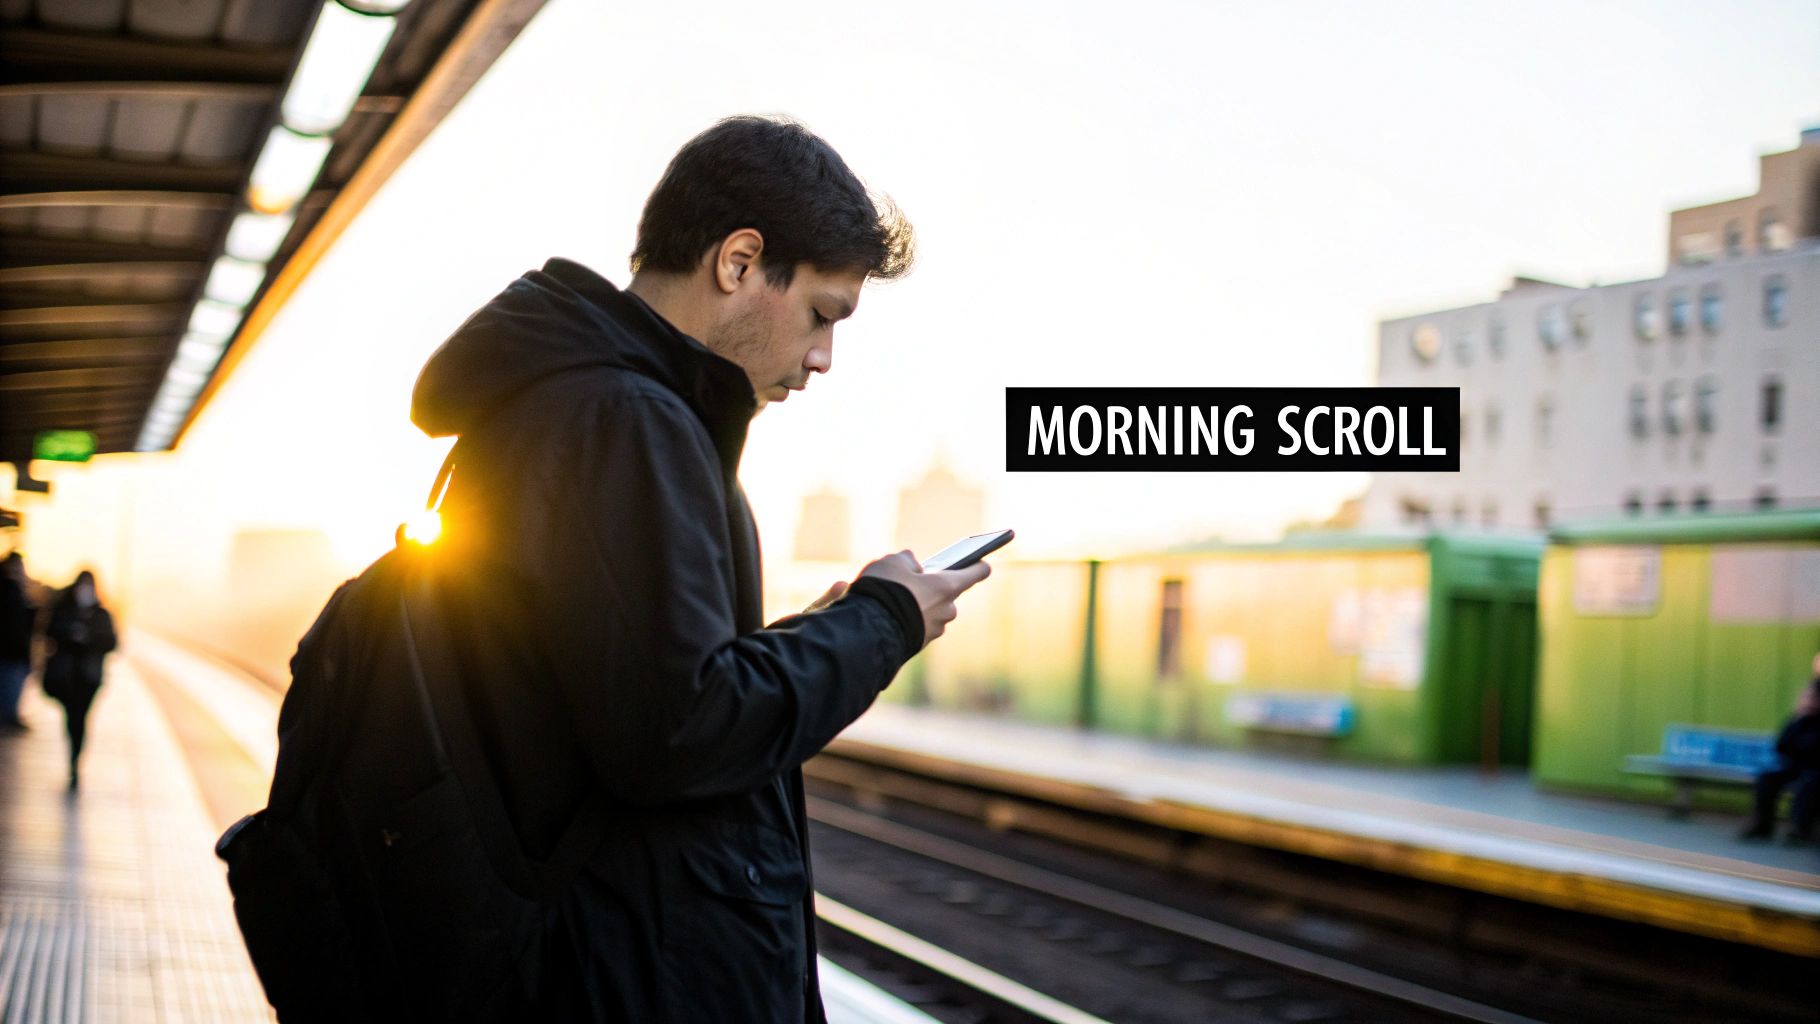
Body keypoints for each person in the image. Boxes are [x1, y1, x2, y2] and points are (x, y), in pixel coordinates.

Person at [408, 116, 991, 1020]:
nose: (824, 358)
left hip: (589, 953)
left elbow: (632, 684)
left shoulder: (572, 402)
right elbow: (679, 735)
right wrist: (882, 622)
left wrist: (812, 633)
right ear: (739, 262)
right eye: (823, 315)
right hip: (620, 974)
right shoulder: (627, 422)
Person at [42, 570, 117, 791]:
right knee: (72, 717)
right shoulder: (64, 610)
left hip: (89, 678)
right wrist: (70, 634)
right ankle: (74, 755)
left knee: (80, 717)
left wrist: (88, 638)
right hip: (65, 677)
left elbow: (112, 642)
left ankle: (75, 758)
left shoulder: (102, 614)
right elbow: (49, 631)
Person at [1740, 658, 1820, 843]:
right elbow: (1781, 745)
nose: (1808, 701)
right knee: (1767, 778)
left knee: (1808, 784)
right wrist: (1799, 718)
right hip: (1796, 767)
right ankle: (1762, 826)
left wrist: (1800, 748)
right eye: (1806, 697)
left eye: (1813, 698)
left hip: (1815, 770)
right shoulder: (1798, 720)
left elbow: (1812, 748)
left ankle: (1800, 830)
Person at [0, 552, 35, 730]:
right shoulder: (9, 591)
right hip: (9, 654)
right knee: (7, 695)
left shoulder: (19, 592)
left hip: (17, 653)